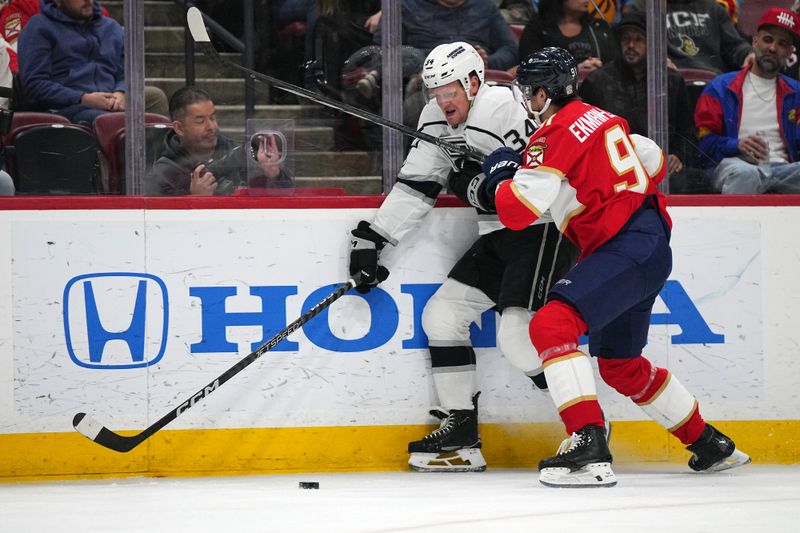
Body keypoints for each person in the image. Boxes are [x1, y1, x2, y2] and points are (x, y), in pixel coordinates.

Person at [471, 47, 750, 487]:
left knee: (551, 325)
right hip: (646, 245)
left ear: (544, 93)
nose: (527, 97)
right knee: (620, 364)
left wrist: (498, 178)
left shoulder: (552, 134)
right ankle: (710, 444)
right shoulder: (603, 119)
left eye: (530, 90)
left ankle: (587, 443)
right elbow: (654, 161)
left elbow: (518, 211)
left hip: (624, 247)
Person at [347, 42, 580, 472]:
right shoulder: (436, 118)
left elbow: (528, 184)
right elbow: (419, 183)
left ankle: (587, 423)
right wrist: (374, 237)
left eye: (449, 90)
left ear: (474, 82)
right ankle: (462, 432)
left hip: (545, 228)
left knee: (519, 338)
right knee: (442, 316)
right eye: (434, 91)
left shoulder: (502, 107)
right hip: (498, 234)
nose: (441, 100)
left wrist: (478, 183)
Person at [579, 11, 712, 193]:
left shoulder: (671, 81)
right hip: (614, 170)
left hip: (663, 169)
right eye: (626, 39)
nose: (631, 45)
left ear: (651, 42)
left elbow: (687, 132)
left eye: (638, 39)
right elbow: (585, 136)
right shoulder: (597, 81)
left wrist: (679, 156)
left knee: (699, 180)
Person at [694, 7, 800, 194]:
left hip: (785, 169)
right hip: (737, 164)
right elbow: (703, 146)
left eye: (782, 44)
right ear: (754, 41)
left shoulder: (797, 92)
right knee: (745, 174)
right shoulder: (719, 88)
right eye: (767, 40)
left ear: (791, 51)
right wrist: (737, 145)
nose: (773, 48)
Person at [17, 0, 168, 124]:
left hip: (111, 97)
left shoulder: (111, 27)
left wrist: (122, 91)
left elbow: (128, 71)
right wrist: (83, 98)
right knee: (107, 120)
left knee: (155, 97)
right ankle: (114, 160)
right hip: (67, 106)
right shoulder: (39, 27)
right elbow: (34, 83)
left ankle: (157, 159)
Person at [149, 86, 293, 196]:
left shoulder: (237, 154)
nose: (212, 127)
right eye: (200, 121)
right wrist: (195, 200)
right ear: (179, 128)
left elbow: (283, 201)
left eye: (212, 117)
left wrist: (273, 174)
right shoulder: (164, 174)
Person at [627, 0, 752, 74]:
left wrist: (748, 53)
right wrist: (654, 60)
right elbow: (631, 47)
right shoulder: (642, 8)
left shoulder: (715, 9)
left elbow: (734, 46)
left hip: (712, 82)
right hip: (667, 83)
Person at [517, 0, 617, 76]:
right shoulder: (537, 28)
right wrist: (575, 70)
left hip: (597, 90)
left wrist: (602, 67)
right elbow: (530, 70)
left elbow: (616, 65)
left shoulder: (598, 27)